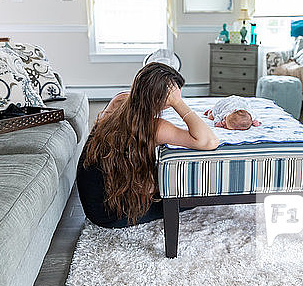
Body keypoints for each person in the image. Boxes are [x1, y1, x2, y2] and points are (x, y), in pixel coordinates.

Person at [77, 62, 219, 228]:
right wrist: (179, 104)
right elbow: (209, 141)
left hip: (94, 200)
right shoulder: (155, 127)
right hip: (110, 213)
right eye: (172, 99)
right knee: (193, 196)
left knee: (164, 181)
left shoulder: (120, 100)